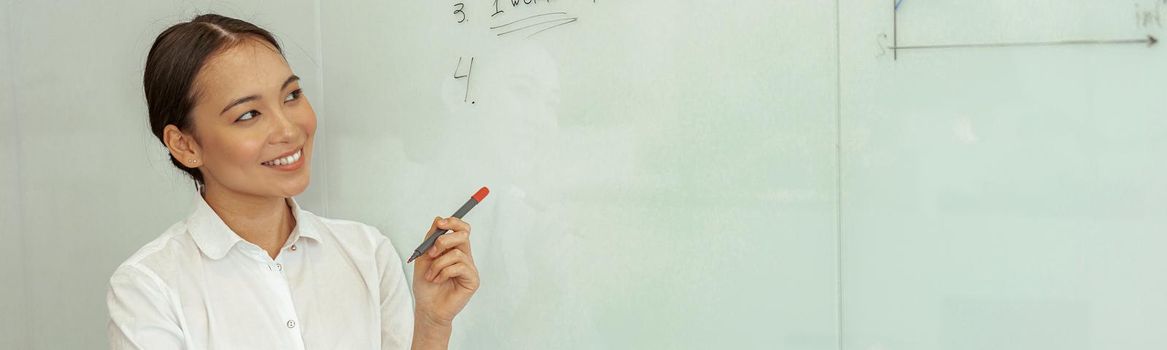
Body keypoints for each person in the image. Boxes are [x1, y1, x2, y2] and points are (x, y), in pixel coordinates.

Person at [106, 14, 479, 349]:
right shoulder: (150, 288)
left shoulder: (366, 253)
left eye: (292, 95)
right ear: (185, 145)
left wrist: (432, 324)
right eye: (249, 114)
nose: (288, 129)